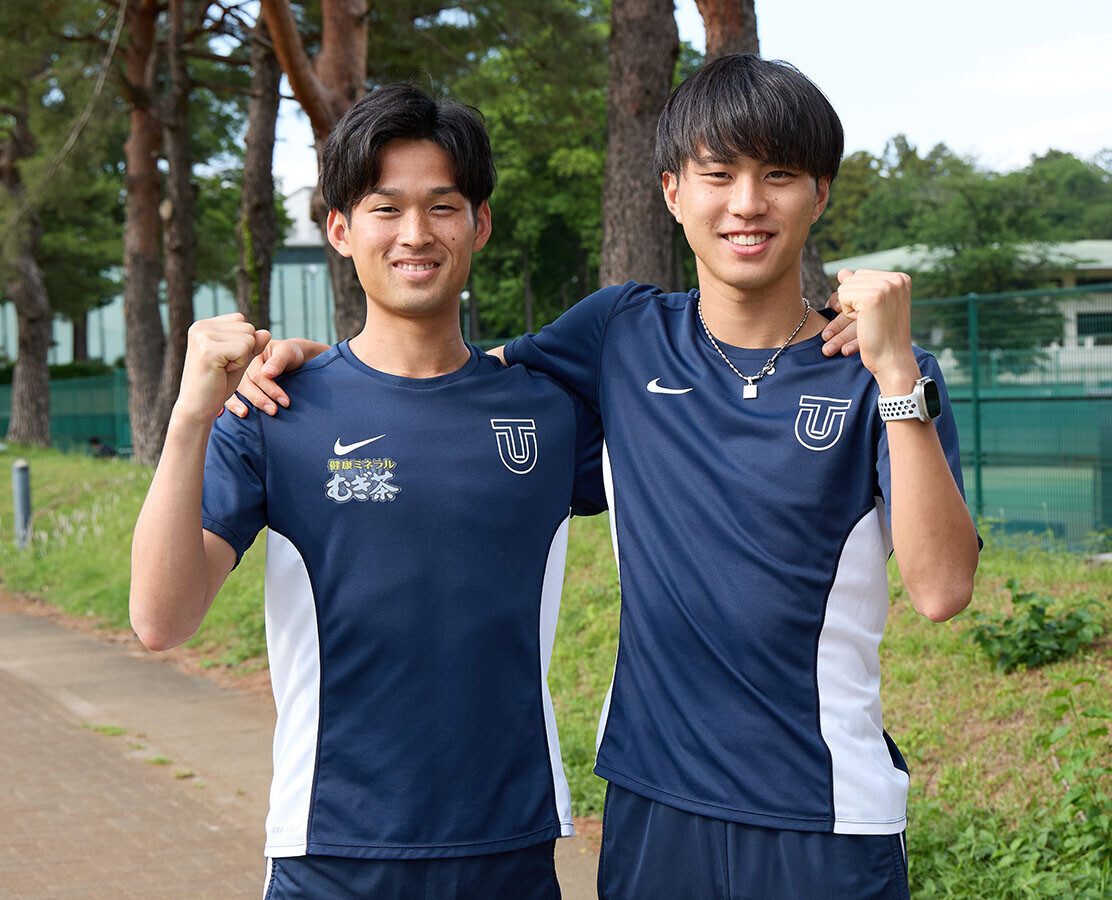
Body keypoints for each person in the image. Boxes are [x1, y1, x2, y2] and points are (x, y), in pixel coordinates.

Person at [233, 56, 979, 900]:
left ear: (821, 192)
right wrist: (309, 367)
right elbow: (459, 375)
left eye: (778, 175)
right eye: (718, 174)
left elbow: (943, 587)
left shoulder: (881, 374)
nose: (746, 203)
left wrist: (895, 383)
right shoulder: (621, 332)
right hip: (652, 805)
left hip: (827, 814)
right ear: (671, 193)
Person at [130, 83, 604, 900]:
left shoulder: (549, 411)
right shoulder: (276, 409)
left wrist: (840, 347)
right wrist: (188, 420)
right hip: (331, 853)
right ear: (341, 231)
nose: (416, 234)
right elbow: (161, 620)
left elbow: (711, 424)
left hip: (511, 848)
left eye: (442, 206)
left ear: (479, 224)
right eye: (386, 209)